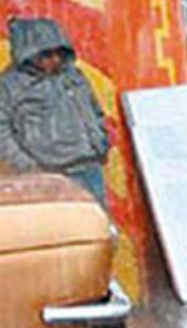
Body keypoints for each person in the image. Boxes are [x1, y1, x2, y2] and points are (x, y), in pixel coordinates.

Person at [0, 18, 111, 204]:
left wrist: (100, 141)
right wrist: (28, 167)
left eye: (59, 52)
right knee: (61, 221)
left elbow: (95, 110)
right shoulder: (8, 86)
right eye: (47, 54)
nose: (55, 59)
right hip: (49, 176)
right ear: (28, 53)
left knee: (96, 220)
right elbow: (2, 133)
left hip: (90, 168)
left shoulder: (74, 76)